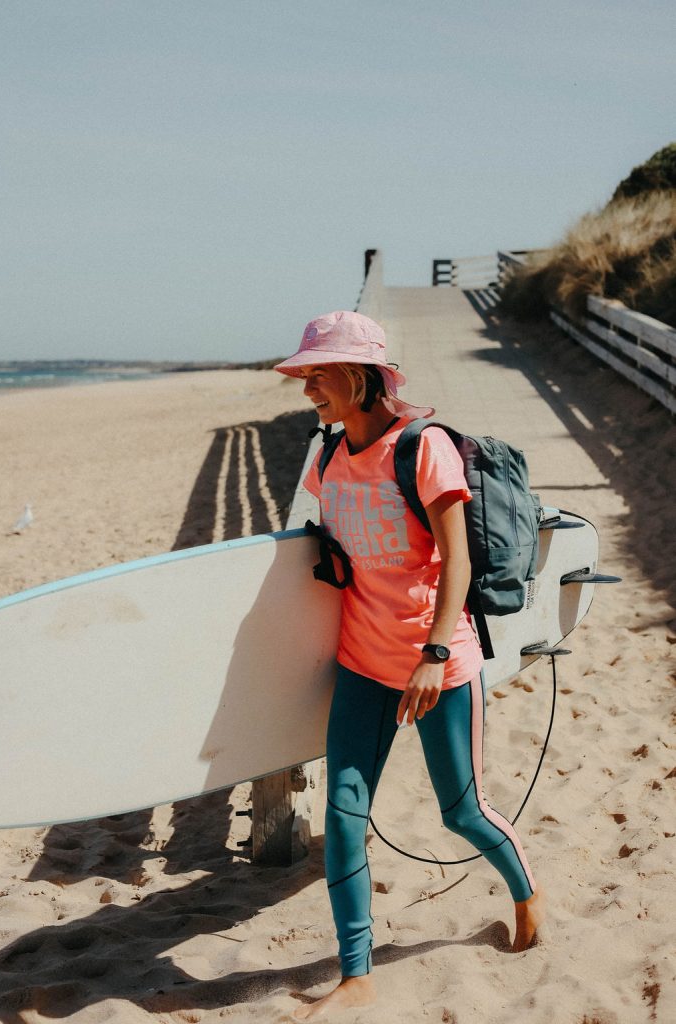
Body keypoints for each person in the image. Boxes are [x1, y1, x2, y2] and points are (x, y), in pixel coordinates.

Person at [274, 310, 545, 1020]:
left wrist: (430, 654)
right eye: (303, 376)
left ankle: (523, 890)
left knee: (462, 813)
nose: (307, 390)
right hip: (363, 663)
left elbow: (455, 558)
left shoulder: (423, 448)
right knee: (343, 813)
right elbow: (322, 546)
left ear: (360, 376)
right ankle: (356, 970)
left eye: (318, 375)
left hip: (438, 665)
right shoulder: (324, 457)